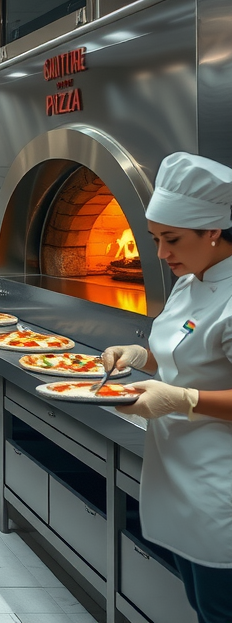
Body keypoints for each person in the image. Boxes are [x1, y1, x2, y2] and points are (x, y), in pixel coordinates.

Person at [102, 152, 232, 623]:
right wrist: (138, 355)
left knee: (220, 608)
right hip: (176, 473)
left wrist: (185, 399)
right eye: (156, 239)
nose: (161, 253)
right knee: (201, 603)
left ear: (212, 230)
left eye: (172, 240)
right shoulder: (190, 278)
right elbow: (180, 349)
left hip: (221, 484)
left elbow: (191, 382)